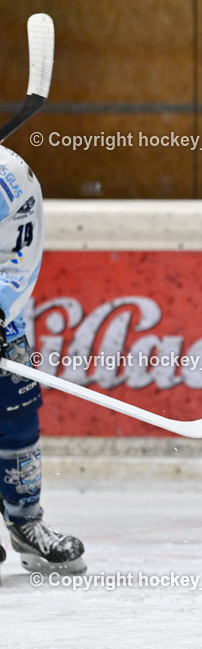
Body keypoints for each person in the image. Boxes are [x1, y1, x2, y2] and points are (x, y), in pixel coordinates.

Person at [0, 146, 86, 576]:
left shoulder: (10, 176)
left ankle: (25, 523)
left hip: (3, 325)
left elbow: (18, 260)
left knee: (16, 419)